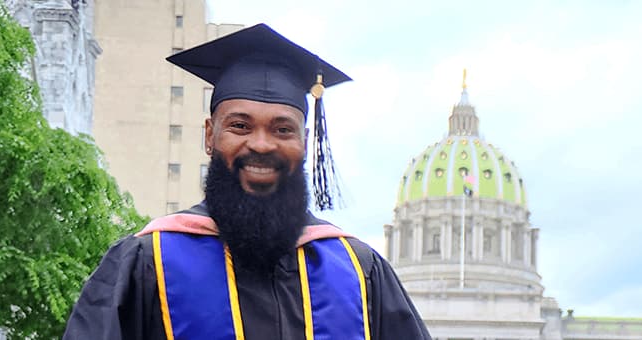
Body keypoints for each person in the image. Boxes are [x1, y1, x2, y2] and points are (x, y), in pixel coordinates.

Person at [63, 23, 431, 340]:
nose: (261, 144)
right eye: (240, 126)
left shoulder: (357, 269)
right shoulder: (146, 261)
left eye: (282, 129)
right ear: (209, 135)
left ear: (303, 141)